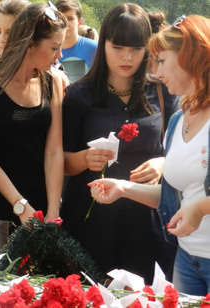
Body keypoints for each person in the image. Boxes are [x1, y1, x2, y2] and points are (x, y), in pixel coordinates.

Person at [90, 15, 210, 296]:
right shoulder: (180, 119)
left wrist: (201, 208)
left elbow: (195, 204)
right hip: (186, 259)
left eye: (162, 60)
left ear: (191, 58)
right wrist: (123, 188)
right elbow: (172, 197)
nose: (155, 71)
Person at [61, 3, 180, 283]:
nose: (127, 57)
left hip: (147, 221)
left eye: (136, 48)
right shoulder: (80, 96)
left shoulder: (162, 90)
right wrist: (84, 159)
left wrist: (162, 162)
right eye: (118, 47)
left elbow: (180, 149)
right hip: (92, 220)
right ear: (104, 45)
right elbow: (61, 161)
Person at [0, 2, 67, 227]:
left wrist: (53, 209)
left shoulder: (52, 82)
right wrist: (20, 205)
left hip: (42, 204)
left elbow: (54, 151)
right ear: (30, 44)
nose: (60, 55)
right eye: (54, 47)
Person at [55, 0, 98, 83]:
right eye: (61, 18)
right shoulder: (47, 49)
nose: (65, 23)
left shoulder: (95, 49)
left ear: (80, 22)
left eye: (70, 19)